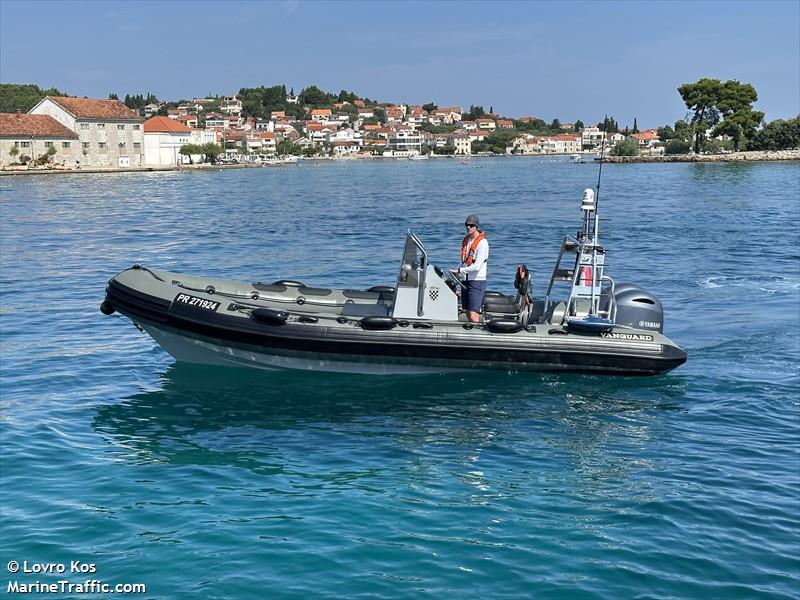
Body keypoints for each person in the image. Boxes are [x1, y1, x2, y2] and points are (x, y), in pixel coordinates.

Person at [451, 214, 489, 322]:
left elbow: (477, 267)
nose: (468, 227)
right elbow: (464, 260)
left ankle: (477, 335)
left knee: (473, 315)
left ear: (476, 226)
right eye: (467, 225)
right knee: (467, 312)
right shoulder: (467, 240)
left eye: (471, 225)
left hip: (476, 281)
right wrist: (457, 270)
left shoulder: (482, 243)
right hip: (465, 280)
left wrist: (459, 270)